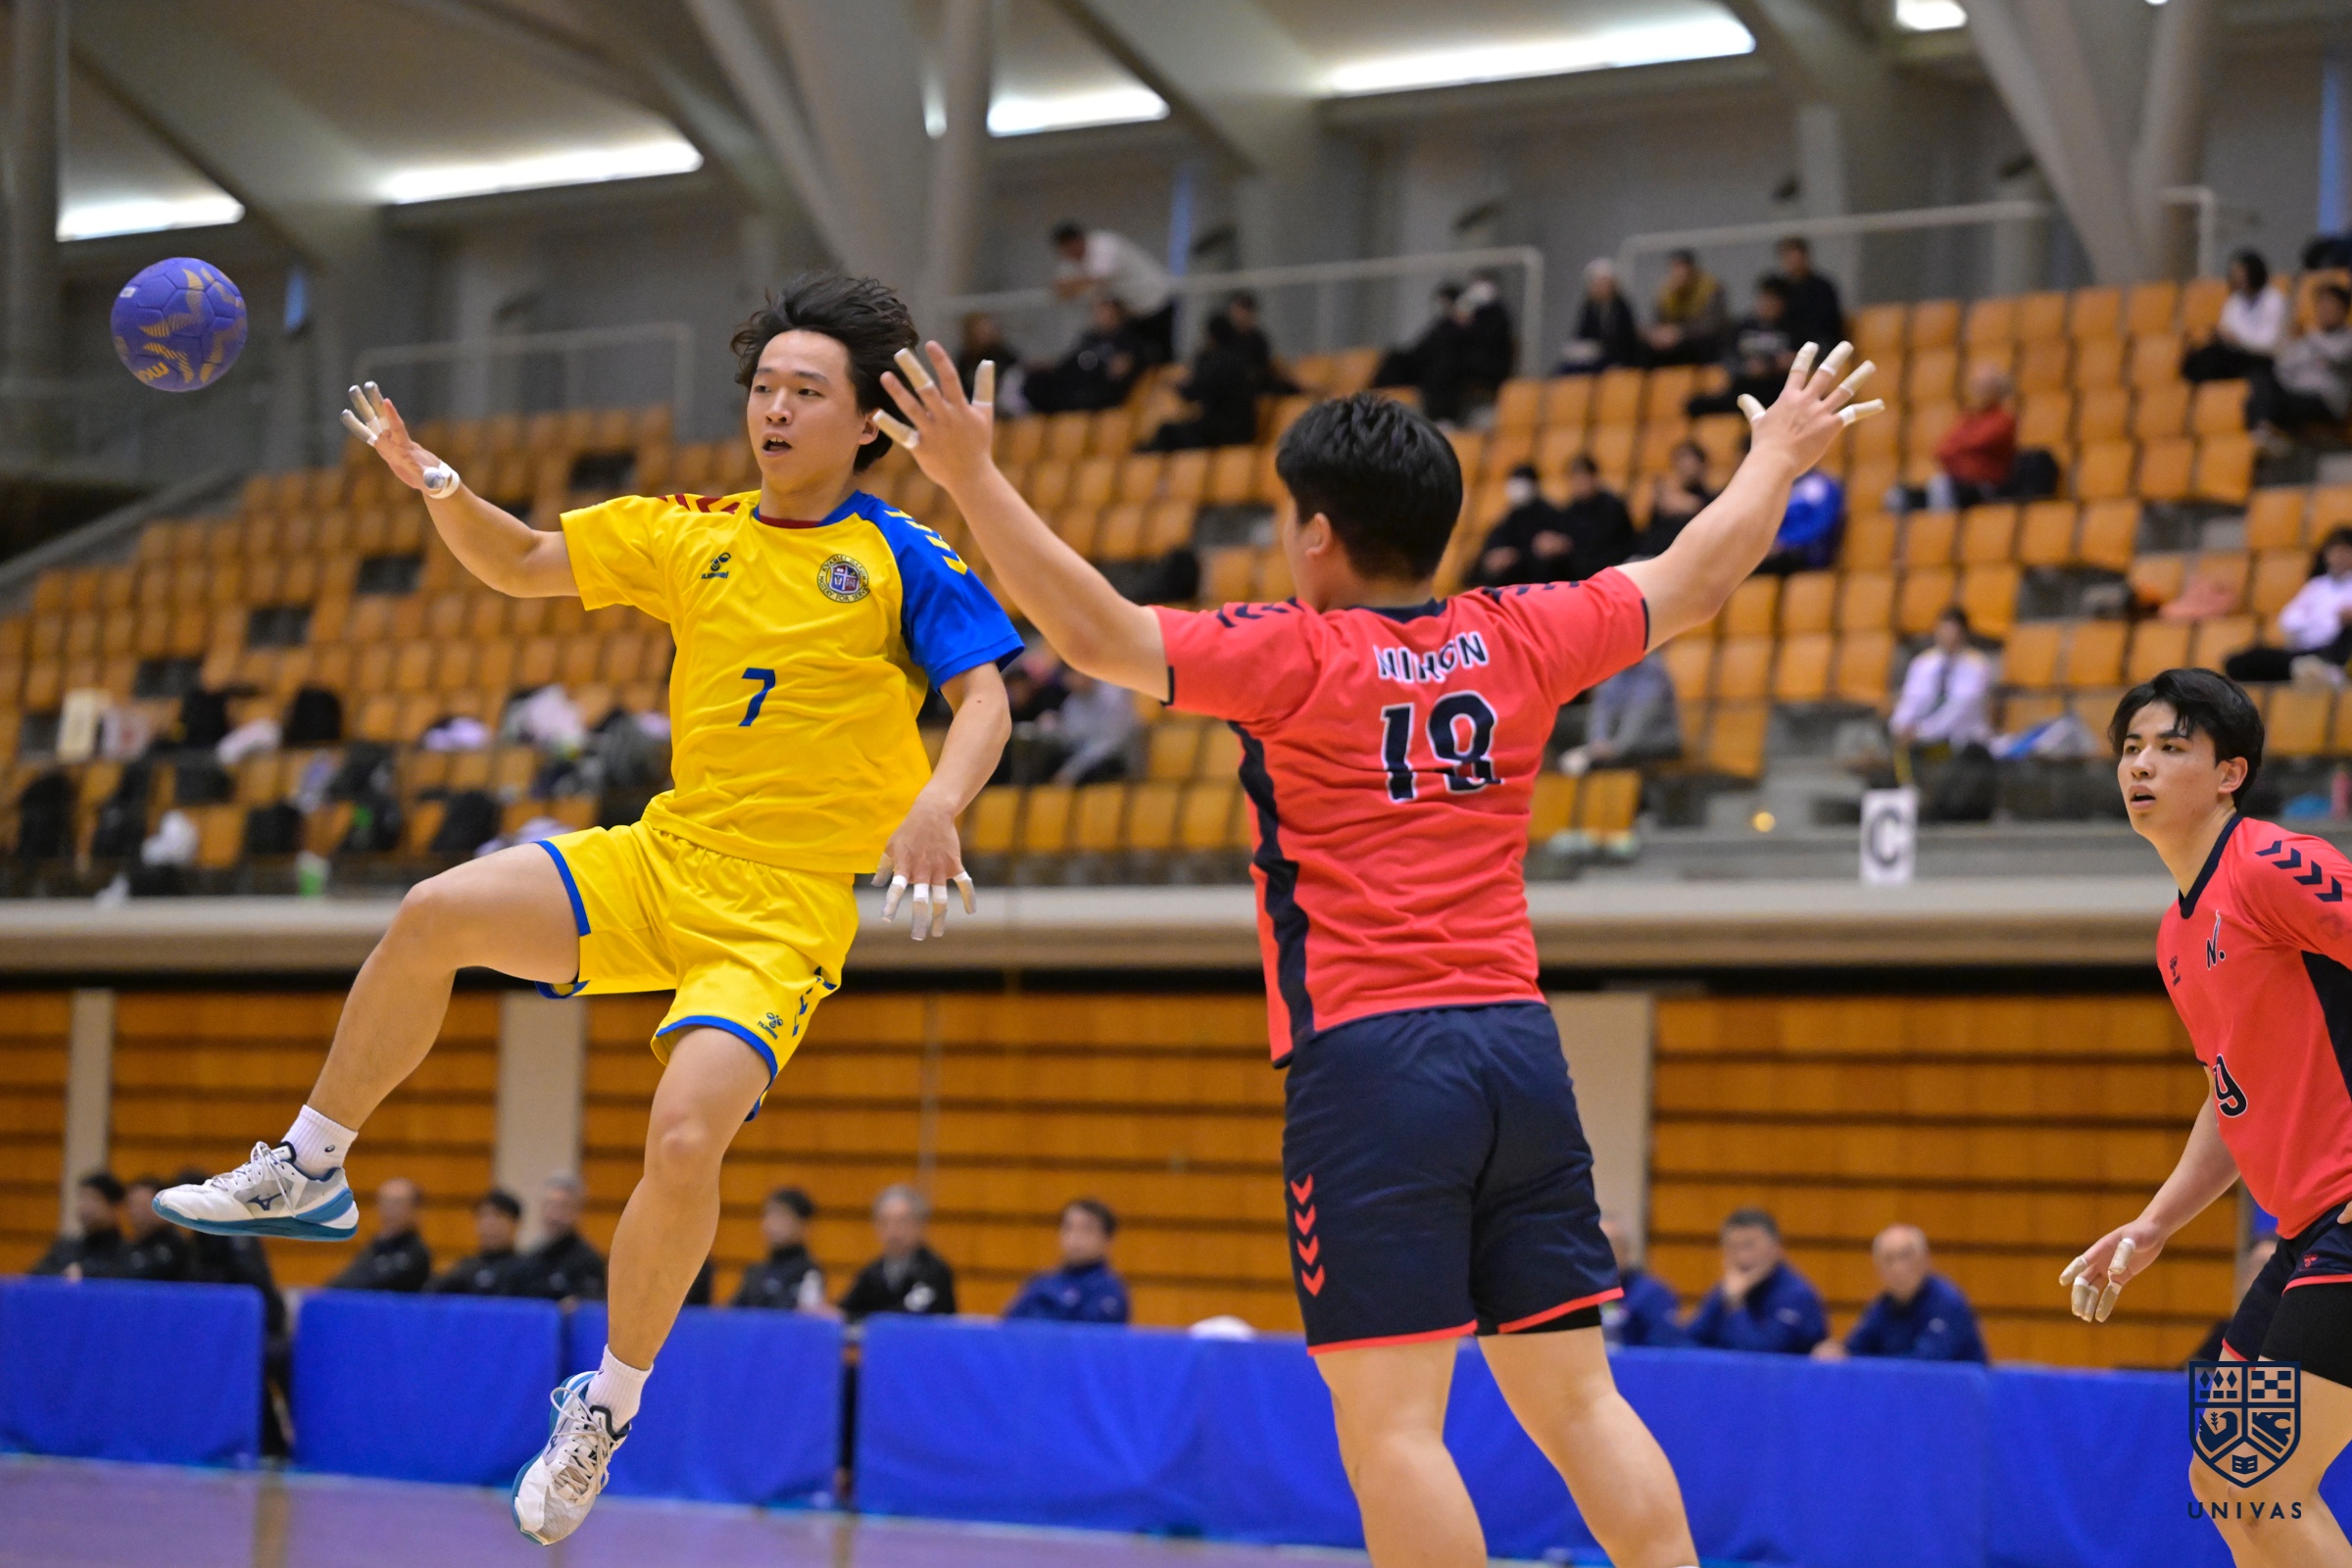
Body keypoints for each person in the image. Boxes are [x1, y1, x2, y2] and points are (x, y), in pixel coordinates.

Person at [870, 314, 1878, 1566]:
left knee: (1394, 1429)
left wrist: (972, 476)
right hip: (1517, 1052)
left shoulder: (1294, 652)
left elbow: (1097, 635)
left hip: (1372, 1063)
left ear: (1317, 532)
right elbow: (1694, 578)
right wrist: (1775, 457)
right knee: (1578, 1401)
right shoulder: (1523, 631)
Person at [152, 270, 1020, 1546]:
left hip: (779, 916)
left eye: (805, 392)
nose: (775, 410)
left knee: (684, 1137)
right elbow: (519, 561)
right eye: (764, 388)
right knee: (435, 910)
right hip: (662, 860)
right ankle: (310, 1164)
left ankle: (603, 1411)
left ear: (864, 424)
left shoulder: (901, 555)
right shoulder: (688, 530)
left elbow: (986, 698)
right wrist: (436, 483)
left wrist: (938, 804)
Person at [2061, 668, 2352, 1563]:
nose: (2141, 765)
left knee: (2262, 1481)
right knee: (2224, 1476)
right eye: (2131, 748)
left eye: (2171, 747)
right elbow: (2232, 1094)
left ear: (2230, 773)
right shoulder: (2176, 934)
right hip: (2303, 1230)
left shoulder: (2271, 864)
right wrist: (2154, 1225)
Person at [1814, 1224, 1985, 1363]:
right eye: (1888, 1259)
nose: (1898, 1268)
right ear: (1878, 1268)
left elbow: (1924, 1365)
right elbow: (1854, 1351)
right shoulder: (1882, 1308)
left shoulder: (1948, 1304)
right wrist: (1836, 1354)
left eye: (1906, 1256)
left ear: (1925, 1259)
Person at [1684, 1208, 1828, 1354]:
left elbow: (1760, 1355)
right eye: (1733, 1247)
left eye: (1749, 1246)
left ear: (1776, 1248)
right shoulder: (1727, 1290)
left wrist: (1736, 1304)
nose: (1742, 1257)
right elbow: (1688, 1341)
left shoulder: (1797, 1296)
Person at [2224, 527, 2352, 685]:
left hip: (2335, 651)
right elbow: (2288, 620)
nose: (2339, 556)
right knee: (2239, 662)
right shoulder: (2316, 586)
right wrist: (2324, 623)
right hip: (2303, 650)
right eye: (2335, 551)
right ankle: (2308, 670)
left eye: (2345, 551)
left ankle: (2325, 671)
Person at [1051, 220, 1176, 368]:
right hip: (1129, 313)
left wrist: (1072, 285)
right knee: (1136, 360)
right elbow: (1059, 288)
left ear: (1079, 240)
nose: (1069, 255)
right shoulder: (1071, 260)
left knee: (1163, 355)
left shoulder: (1105, 244)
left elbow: (1098, 278)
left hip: (1156, 302)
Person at [2246, 282, 2352, 446]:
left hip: (2325, 402)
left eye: (2331, 305)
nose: (2325, 310)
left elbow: (2337, 358)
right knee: (2260, 377)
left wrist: (2311, 337)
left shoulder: (2347, 338)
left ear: (2343, 310)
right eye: (2321, 305)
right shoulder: (2306, 340)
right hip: (2295, 394)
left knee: (2276, 404)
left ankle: (2271, 435)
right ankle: (2264, 433)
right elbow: (2283, 369)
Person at [1141, 314, 1260, 452]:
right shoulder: (1237, 359)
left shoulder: (1219, 363)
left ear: (1212, 337)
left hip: (1227, 432)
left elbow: (1194, 392)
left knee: (1167, 431)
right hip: (1237, 429)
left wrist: (1175, 385)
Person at [839, 1183, 957, 1321]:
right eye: (885, 1222)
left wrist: (870, 1321)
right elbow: (846, 1310)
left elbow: (909, 1314)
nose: (893, 1231)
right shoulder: (872, 1273)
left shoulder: (935, 1272)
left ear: (919, 1225)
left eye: (901, 1222)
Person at [1004, 1199, 1131, 1324]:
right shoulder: (1040, 1284)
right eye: (1069, 1228)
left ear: (1107, 1239)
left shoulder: (1109, 1290)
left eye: (1087, 1229)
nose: (1076, 1237)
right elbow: (1009, 1326)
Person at [1890, 607, 1994, 754]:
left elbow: (1958, 710)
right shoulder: (1923, 663)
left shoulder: (1977, 667)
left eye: (1952, 632)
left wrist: (1922, 732)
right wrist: (1900, 725)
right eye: (1943, 631)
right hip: (1921, 740)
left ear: (1963, 634)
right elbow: (1912, 699)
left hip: (1963, 741)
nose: (1947, 637)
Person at [1688, 278, 1795, 417]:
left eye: (1773, 300)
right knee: (1696, 404)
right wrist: (1746, 367)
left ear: (1783, 303)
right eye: (1764, 298)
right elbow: (1727, 358)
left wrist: (1774, 365)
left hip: (1775, 390)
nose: (1767, 304)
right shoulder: (1741, 327)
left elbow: (1801, 359)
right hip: (1743, 388)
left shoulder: (1794, 330)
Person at [1562, 653, 1682, 774]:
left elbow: (1640, 716)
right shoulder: (1616, 667)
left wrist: (1613, 749)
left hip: (1654, 741)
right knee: (1567, 738)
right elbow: (1602, 709)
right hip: (1619, 740)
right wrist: (1598, 742)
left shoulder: (1653, 671)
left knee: (1605, 762)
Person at [1025, 296, 1143, 416]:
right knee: (1035, 381)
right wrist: (1050, 367)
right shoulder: (1089, 338)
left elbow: (1124, 368)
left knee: (1090, 393)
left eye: (1106, 313)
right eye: (1099, 312)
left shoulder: (1126, 340)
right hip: (1074, 384)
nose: (1101, 317)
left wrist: (1123, 366)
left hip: (1097, 388)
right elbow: (1070, 362)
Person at [2182, 251, 2287, 384]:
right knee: (2201, 356)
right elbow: (2226, 329)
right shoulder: (2234, 301)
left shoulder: (2274, 300)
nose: (2235, 278)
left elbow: (2268, 344)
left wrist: (2238, 340)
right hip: (2235, 354)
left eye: (2240, 274)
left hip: (2262, 359)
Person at [1925, 365, 2016, 512]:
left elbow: (1978, 443)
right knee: (1901, 495)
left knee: (1940, 486)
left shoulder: (2003, 419)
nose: (1978, 392)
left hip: (1988, 487)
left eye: (1983, 387)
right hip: (1960, 481)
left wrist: (1960, 448)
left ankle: (1944, 524)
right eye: (1976, 387)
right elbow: (1943, 450)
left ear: (1996, 390)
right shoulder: (1968, 418)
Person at [1466, 466, 1572, 588]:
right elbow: (1478, 567)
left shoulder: (1552, 516)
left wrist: (1557, 546)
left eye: (1521, 481)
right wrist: (1492, 561)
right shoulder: (1508, 520)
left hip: (1542, 587)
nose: (1516, 488)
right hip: (1509, 589)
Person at [507, 1174, 607, 1302]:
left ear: (577, 1212)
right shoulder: (529, 1258)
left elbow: (593, 1304)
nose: (554, 1215)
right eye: (549, 1205)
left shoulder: (589, 1262)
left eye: (563, 1206)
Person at [324, 1177, 432, 1292]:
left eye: (397, 1203)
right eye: (385, 1202)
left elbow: (372, 1282)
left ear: (415, 1209)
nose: (390, 1210)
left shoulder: (416, 1254)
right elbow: (345, 1280)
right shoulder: (375, 1247)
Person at [732, 1187, 828, 1311]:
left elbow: (806, 1317)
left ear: (802, 1224)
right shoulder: (755, 1273)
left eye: (782, 1216)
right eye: (769, 1215)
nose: (772, 1224)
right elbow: (732, 1315)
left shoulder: (809, 1274)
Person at [2187, 1234, 2278, 1364]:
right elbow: (2189, 1373)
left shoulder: (2300, 1339)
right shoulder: (2228, 1333)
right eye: (2259, 1267)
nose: (2266, 1278)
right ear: (2244, 1276)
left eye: (2275, 1270)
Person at [1597, 1217, 1685, 1349]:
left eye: (1610, 1245)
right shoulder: (1578, 1293)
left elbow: (1664, 1348)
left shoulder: (1651, 1294)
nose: (1601, 1254)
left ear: (1625, 1251)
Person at [1041, 668, 1136, 785]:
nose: (1072, 679)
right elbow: (1070, 739)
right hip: (1082, 757)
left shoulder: (1113, 695)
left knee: (1099, 768)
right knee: (1048, 762)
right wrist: (1054, 727)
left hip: (1113, 757)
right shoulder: (1072, 703)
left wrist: (1072, 770)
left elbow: (1108, 743)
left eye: (1075, 673)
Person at [426, 1190, 526, 1296]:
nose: (489, 1224)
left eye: (498, 1216)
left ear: (515, 1223)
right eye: (483, 1216)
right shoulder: (465, 1269)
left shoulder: (526, 1270)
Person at [30, 1171, 127, 1279]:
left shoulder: (127, 1254)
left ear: (114, 1207)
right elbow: (34, 1278)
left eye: (94, 1199)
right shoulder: (65, 1248)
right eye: (82, 1197)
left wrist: (86, 1272)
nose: (85, 1206)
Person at [1556, 457, 1639, 582]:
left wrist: (1571, 545)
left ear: (1594, 478)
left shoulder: (1611, 506)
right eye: (1573, 480)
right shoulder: (1572, 509)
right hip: (1582, 567)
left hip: (1611, 565)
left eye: (1581, 479)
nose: (1577, 484)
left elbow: (1603, 542)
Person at [1558, 260, 1642, 376]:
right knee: (1565, 370)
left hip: (1617, 360)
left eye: (1603, 284)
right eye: (1596, 284)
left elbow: (1627, 341)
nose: (1599, 288)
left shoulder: (1621, 308)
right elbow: (1582, 334)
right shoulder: (1589, 308)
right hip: (1594, 358)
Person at [1756, 467, 1843, 575]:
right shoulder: (1783, 485)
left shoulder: (1821, 485)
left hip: (1807, 553)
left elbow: (1821, 525)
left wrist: (1784, 541)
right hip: (1779, 549)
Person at [1645, 251, 1726, 368]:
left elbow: (1711, 325)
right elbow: (1657, 322)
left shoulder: (1710, 289)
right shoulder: (1666, 293)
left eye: (1681, 267)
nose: (1678, 273)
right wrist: (1659, 334)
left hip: (1699, 341)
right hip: (1673, 342)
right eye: (1674, 268)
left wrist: (1680, 332)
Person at [1638, 443, 1715, 558]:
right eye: (1679, 459)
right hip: (1651, 554)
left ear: (1702, 465)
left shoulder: (1709, 498)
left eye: (1688, 459)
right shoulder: (1664, 492)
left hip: (1685, 557)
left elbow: (1690, 505)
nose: (1683, 465)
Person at [1772, 236, 1846, 352]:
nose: (1792, 262)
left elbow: (1828, 325)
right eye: (1787, 257)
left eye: (1795, 256)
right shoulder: (1779, 288)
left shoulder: (1823, 287)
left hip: (1818, 342)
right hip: (1786, 344)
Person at [1221, 291, 1298, 397]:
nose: (1242, 315)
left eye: (1246, 311)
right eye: (1238, 310)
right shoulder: (1225, 338)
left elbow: (1266, 364)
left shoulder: (1258, 338)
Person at [119, 1175, 195, 1281]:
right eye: (132, 1205)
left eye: (143, 1205)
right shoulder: (127, 1246)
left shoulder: (176, 1247)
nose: (136, 1212)